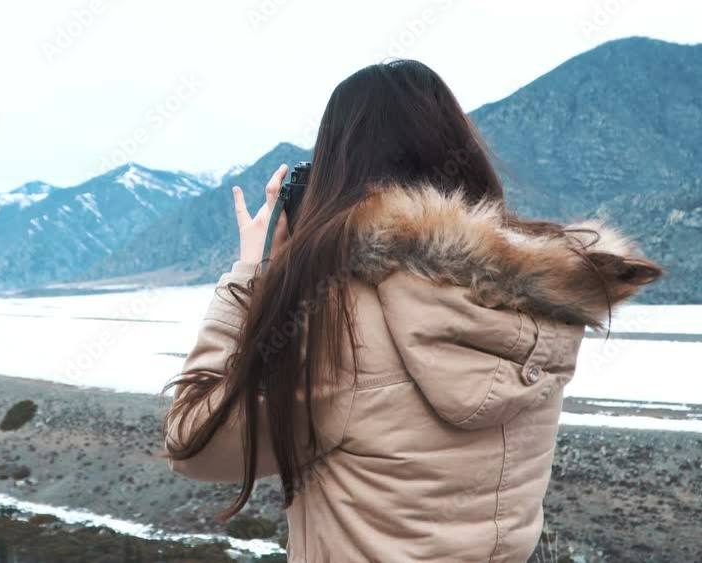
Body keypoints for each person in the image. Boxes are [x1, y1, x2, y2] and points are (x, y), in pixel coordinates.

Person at [162, 60, 661, 562]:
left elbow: (192, 445)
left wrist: (250, 277)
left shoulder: (342, 325)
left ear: (338, 177)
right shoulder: (538, 304)